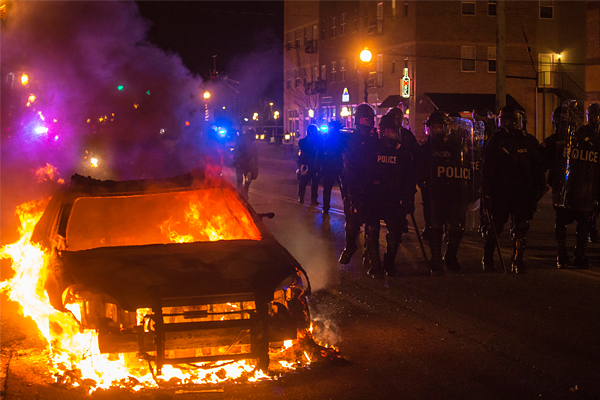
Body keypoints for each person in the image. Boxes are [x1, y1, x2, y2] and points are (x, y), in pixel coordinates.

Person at [481, 106, 545, 273]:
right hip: (501, 191)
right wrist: (486, 192)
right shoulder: (495, 141)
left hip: (522, 191)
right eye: (506, 121)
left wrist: (537, 189)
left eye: (512, 121)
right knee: (495, 226)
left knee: (521, 228)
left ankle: (517, 259)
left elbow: (537, 167)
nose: (509, 125)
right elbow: (487, 169)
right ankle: (488, 258)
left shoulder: (528, 141)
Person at [542, 103, 600, 269]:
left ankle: (577, 255)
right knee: (566, 222)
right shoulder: (565, 139)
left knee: (582, 223)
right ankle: (563, 256)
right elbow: (546, 162)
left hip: (583, 188)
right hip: (567, 189)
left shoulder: (591, 138)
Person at [362, 114, 416, 277]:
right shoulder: (371, 148)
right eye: (388, 131)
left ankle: (389, 262)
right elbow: (363, 173)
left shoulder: (402, 152)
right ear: (381, 131)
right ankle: (375, 265)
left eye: (393, 131)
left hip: (393, 196)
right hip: (374, 195)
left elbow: (409, 177)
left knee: (396, 229)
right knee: (372, 229)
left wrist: (408, 197)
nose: (391, 135)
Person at [418, 111, 471, 275]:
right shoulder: (425, 149)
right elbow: (419, 171)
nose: (438, 131)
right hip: (435, 193)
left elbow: (467, 166)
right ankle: (435, 259)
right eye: (435, 127)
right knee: (435, 227)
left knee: (458, 227)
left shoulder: (457, 146)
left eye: (441, 127)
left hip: (454, 192)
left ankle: (451, 256)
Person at [338, 103, 378, 264]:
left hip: (372, 185)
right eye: (362, 120)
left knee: (372, 222)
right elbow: (331, 151)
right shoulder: (348, 139)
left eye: (367, 120)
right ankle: (350, 247)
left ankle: (371, 253)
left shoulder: (376, 140)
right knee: (352, 219)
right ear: (356, 121)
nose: (365, 124)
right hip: (352, 184)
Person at [317, 120, 344, 216]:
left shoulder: (328, 140)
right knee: (341, 189)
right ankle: (327, 207)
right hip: (335, 167)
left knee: (330, 189)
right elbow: (320, 154)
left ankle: (326, 208)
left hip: (333, 167)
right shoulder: (339, 140)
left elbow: (320, 155)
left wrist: (319, 167)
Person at [297, 124, 323, 205]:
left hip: (314, 164)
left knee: (315, 182)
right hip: (306, 164)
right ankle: (301, 196)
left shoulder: (318, 141)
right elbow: (303, 148)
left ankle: (313, 199)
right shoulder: (303, 141)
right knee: (303, 181)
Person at [233, 128, 258, 200]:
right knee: (242, 180)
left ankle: (243, 194)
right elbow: (253, 154)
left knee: (245, 180)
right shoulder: (244, 142)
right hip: (241, 163)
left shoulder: (250, 142)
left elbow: (254, 154)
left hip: (244, 163)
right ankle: (241, 194)